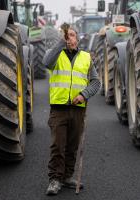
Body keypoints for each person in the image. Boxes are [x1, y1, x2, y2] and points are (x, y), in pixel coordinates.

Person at [42, 25, 100, 195]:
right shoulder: (55, 55)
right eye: (67, 36)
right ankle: (55, 179)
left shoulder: (86, 58)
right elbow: (46, 63)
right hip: (58, 109)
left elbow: (96, 82)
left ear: (78, 38)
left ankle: (67, 177)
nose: (71, 38)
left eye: (73, 35)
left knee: (72, 146)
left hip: (78, 109)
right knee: (57, 146)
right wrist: (61, 42)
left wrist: (84, 94)